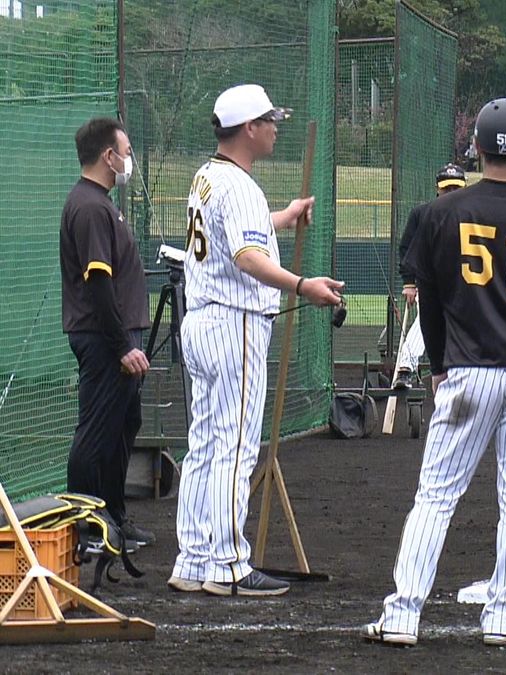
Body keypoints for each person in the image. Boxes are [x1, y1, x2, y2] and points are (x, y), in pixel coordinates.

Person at [365, 97, 506, 647]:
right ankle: (501, 619)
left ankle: (402, 616)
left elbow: (432, 306)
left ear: (478, 148)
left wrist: (439, 368)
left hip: (469, 370)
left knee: (437, 495)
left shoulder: (440, 215)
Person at [169, 84, 344, 597]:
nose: (275, 127)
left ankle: (195, 557)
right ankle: (227, 562)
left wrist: (282, 218)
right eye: (270, 120)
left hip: (204, 322)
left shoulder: (207, 175)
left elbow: (235, 234)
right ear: (249, 128)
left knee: (205, 443)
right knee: (236, 446)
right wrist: (301, 284)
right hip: (235, 322)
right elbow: (246, 256)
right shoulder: (241, 185)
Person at [59, 117, 154, 551]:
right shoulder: (90, 207)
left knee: (123, 424)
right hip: (103, 340)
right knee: (96, 431)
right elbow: (98, 284)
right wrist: (121, 348)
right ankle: (84, 528)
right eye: (126, 151)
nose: (129, 159)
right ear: (107, 156)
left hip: (115, 338)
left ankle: (114, 518)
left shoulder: (101, 203)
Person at [393, 163, 467, 389]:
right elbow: (407, 248)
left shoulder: (475, 212)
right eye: (447, 188)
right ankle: (405, 366)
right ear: (438, 189)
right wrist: (409, 282)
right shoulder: (422, 213)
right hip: (433, 282)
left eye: (456, 188)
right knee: (427, 320)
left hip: (467, 286)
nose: (451, 193)